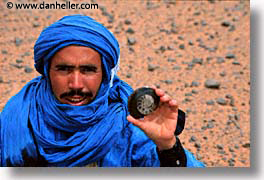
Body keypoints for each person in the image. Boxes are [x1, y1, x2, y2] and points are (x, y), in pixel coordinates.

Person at [0, 14, 205, 167]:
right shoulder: (19, 119)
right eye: (64, 69)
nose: (76, 84)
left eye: (88, 70)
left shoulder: (127, 123)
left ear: (106, 75)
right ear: (47, 71)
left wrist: (167, 145)